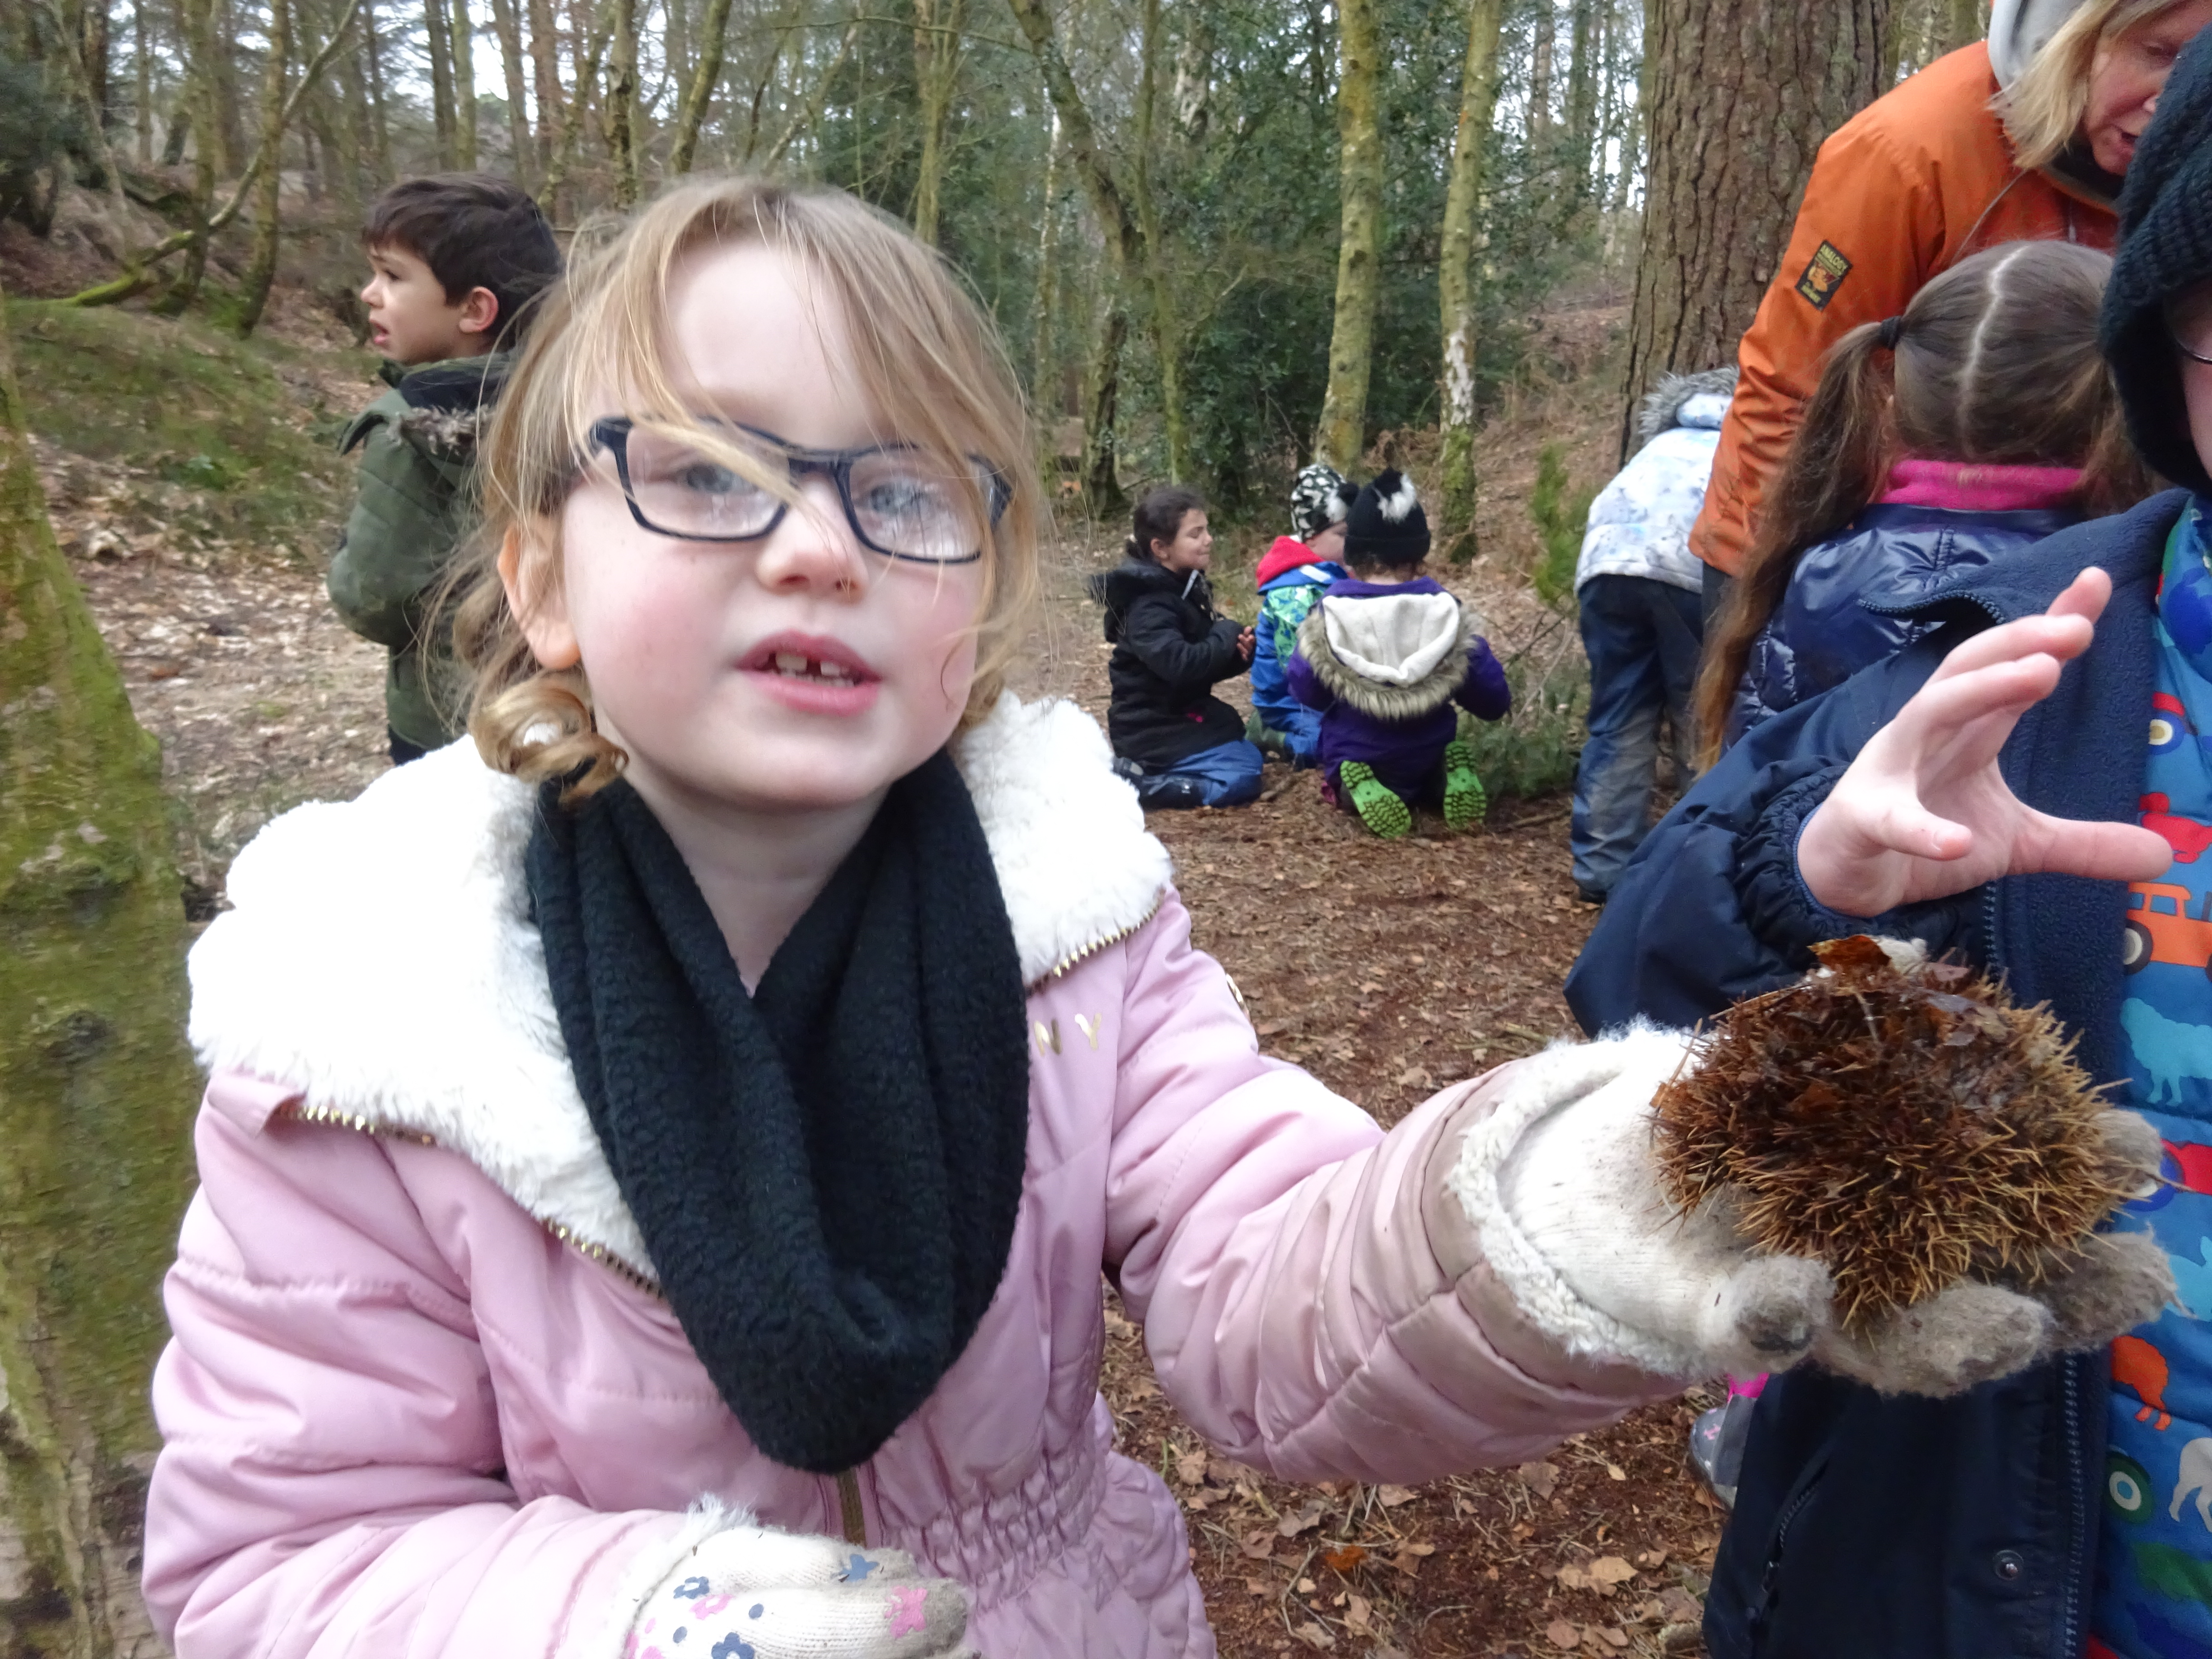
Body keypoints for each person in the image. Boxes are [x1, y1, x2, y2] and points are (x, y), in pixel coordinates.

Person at [138, 173, 2156, 1659]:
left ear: (974, 606)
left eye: (904, 493)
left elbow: (1282, 1280)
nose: (822, 546)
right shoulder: (366, 1036)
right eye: (710, 472)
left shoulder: (1073, 941)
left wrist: (1613, 1198)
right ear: (544, 576)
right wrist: (630, 1621)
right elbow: (274, 1568)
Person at [1566, 32, 2212, 1656]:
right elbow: (1639, 972)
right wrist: (1798, 867)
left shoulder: (1858, 568)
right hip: (1982, 1560)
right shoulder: (2003, 649)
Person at [1687, 0, 2212, 615]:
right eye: (2156, 53)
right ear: (2077, 31)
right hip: (1877, 568)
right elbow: (1792, 390)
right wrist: (1765, 594)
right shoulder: (1908, 154)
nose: (2168, 98)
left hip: (2092, 574)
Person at [1696, 238, 2152, 768]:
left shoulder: (1816, 576)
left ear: (1893, 408)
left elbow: (1741, 802)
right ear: (2124, 412)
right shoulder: (2130, 595)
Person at [328, 173, 562, 765]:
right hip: (554, 708)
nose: (369, 293)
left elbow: (371, 596)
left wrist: (342, 551)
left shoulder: (412, 429)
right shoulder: (568, 401)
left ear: (475, 309)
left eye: (393, 276)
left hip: (439, 718)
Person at [1569, 367, 1732, 904]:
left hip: (1607, 568)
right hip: (1690, 570)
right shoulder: (1749, 444)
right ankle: (1695, 867)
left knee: (1619, 717)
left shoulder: (1661, 444)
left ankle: (1602, 867)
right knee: (1701, 717)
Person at [1286, 471, 1511, 837]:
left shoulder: (1331, 613)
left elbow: (1305, 688)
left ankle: (1358, 790)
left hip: (1360, 751)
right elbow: (1492, 698)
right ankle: (1446, 777)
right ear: (1417, 552)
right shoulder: (1444, 610)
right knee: (1432, 770)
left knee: (1344, 780)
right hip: (1428, 750)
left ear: (1354, 552)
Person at [1088, 485, 1264, 809]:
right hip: (1150, 729)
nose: (1208, 540)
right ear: (1161, 548)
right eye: (1196, 534)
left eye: (1206, 530)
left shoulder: (1183, 588)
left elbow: (1198, 664)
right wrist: (1225, 635)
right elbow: (1181, 665)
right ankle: (1143, 786)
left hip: (1177, 714)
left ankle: (1153, 773)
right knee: (1242, 775)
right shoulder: (1148, 606)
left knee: (1248, 753)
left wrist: (1239, 653)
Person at [1248, 463, 1356, 765]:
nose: (1354, 541)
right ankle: (1271, 732)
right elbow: (1298, 668)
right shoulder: (1293, 593)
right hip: (1290, 701)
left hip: (1331, 697)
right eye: (1344, 534)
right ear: (1311, 536)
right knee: (1332, 747)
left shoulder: (1340, 573)